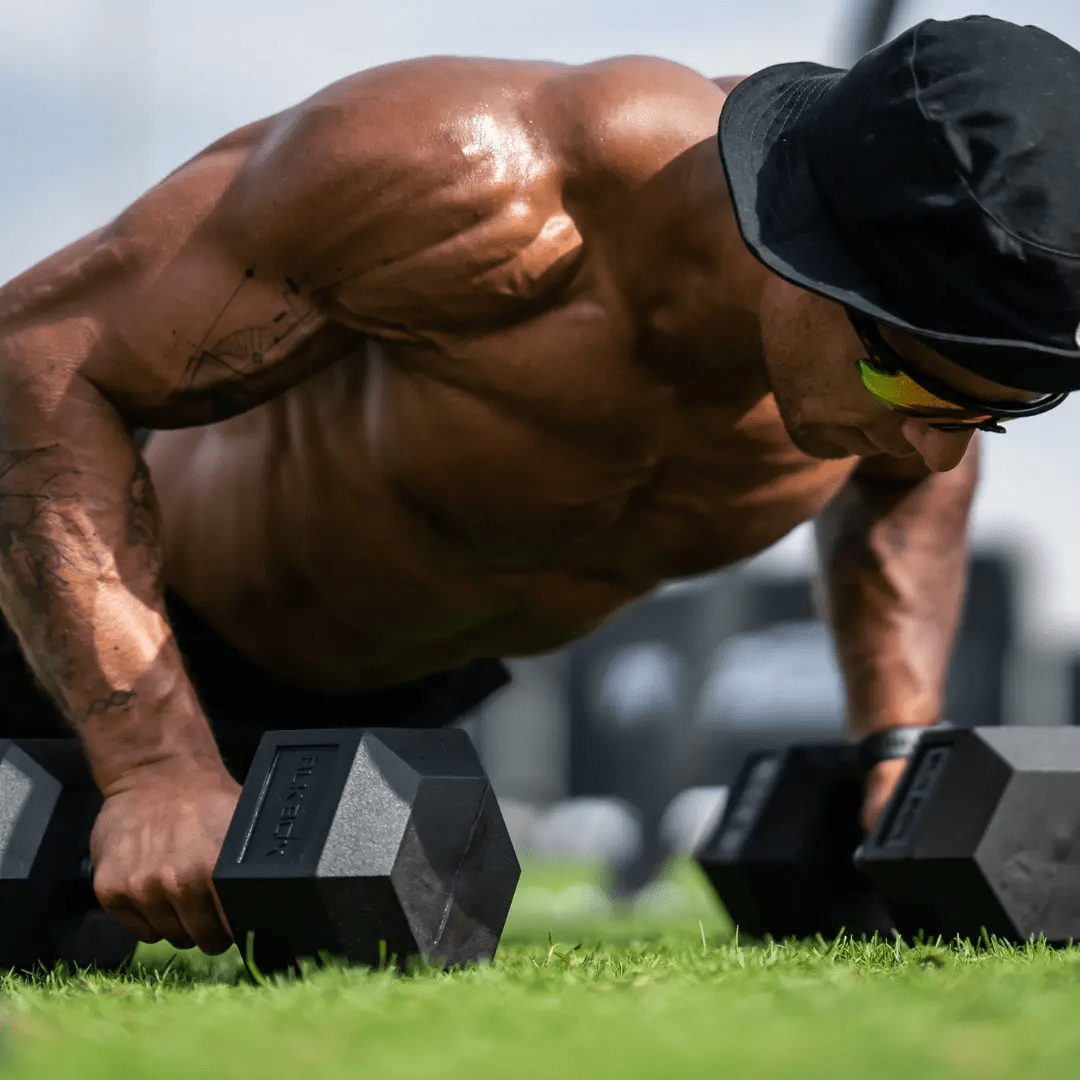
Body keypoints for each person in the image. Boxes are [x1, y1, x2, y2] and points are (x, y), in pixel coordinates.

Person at [0, 14, 1078, 955]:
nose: (937, 450)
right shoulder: (467, 179)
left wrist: (897, 747)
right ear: (804, 248)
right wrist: (153, 767)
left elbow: (913, 478)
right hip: (86, 637)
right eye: (910, 384)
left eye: (986, 414)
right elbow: (38, 361)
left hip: (383, 723)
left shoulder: (895, 380)